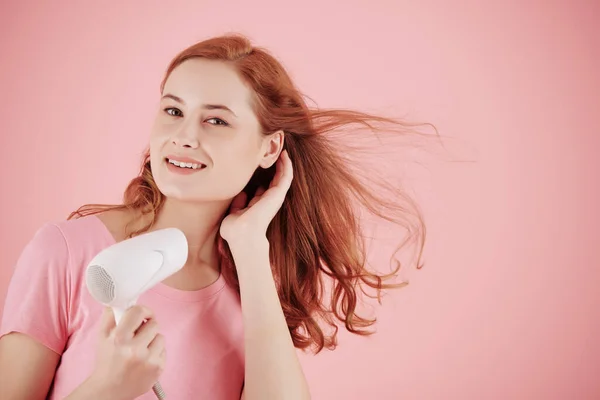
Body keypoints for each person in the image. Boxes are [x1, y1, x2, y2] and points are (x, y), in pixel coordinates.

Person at [0, 33, 428, 399]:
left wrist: (250, 248)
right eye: (173, 111)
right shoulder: (67, 252)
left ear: (270, 148)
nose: (184, 136)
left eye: (216, 121)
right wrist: (106, 388)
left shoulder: (252, 284)